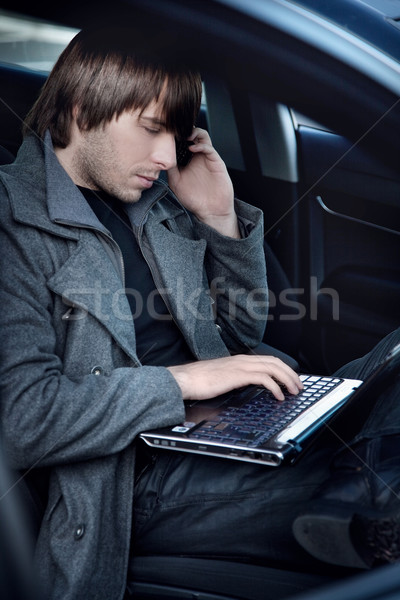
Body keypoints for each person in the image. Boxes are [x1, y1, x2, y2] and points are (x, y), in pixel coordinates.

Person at [0, 26, 398, 600]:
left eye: (176, 135)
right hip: (137, 482)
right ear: (84, 108)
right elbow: (22, 418)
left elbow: (235, 335)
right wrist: (184, 382)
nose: (166, 158)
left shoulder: (151, 204)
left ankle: (364, 491)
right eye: (152, 129)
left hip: (232, 427)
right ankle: (366, 496)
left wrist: (218, 219)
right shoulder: (14, 222)